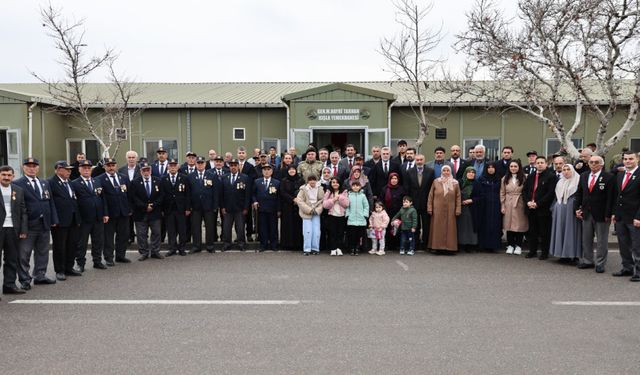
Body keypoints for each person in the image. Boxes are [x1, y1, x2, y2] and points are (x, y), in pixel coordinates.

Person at [14, 158, 59, 288]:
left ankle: (40, 275)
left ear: (38, 168)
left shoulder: (44, 183)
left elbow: (50, 202)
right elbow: (17, 207)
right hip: (27, 225)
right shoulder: (17, 184)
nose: (32, 168)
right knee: (24, 254)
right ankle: (25, 280)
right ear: (24, 168)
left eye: (34, 166)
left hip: (44, 223)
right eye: (29, 166)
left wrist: (54, 219)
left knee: (43, 252)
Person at [574, 155, 614, 273]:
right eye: (591, 162)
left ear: (601, 164)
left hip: (602, 214)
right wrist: (577, 208)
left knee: (601, 240)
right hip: (586, 212)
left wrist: (608, 214)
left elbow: (610, 197)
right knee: (586, 239)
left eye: (596, 162)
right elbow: (579, 194)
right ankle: (588, 260)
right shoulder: (584, 176)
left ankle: (600, 263)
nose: (593, 164)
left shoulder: (609, 177)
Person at [71, 160, 109, 270]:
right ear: (79, 170)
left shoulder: (97, 181)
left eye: (88, 168)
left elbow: (103, 198)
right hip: (84, 219)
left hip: (98, 217)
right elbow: (74, 203)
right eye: (84, 168)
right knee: (81, 243)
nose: (86, 170)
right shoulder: (75, 183)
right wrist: (77, 219)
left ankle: (97, 261)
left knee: (98, 241)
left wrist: (105, 213)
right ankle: (80, 264)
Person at [48, 161, 81, 280]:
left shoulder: (70, 182)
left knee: (72, 245)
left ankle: (69, 267)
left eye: (70, 169)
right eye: (66, 169)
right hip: (60, 221)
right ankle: (60, 270)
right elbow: (50, 203)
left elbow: (73, 200)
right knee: (59, 246)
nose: (69, 171)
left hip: (72, 219)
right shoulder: (51, 183)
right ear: (57, 170)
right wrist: (53, 219)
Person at [611, 150, 640, 281]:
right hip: (621, 216)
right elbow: (618, 196)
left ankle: (638, 272)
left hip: (635, 217)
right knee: (623, 244)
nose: (628, 161)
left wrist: (639, 217)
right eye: (626, 159)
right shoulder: (620, 175)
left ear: (637, 160)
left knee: (637, 245)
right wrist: (614, 213)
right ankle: (627, 268)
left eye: (631, 159)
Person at [0, 165, 28, 297]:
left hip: (13, 230)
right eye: (3, 175)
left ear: (13, 176)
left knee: (11, 259)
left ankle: (9, 285)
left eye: (8, 175)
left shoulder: (18, 190)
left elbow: (23, 211)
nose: (6, 177)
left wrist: (23, 229)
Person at [98, 158, 132, 264]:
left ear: (116, 166)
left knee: (123, 235)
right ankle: (109, 258)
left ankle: (120, 256)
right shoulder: (99, 179)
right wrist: (104, 213)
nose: (111, 167)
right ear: (104, 167)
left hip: (124, 212)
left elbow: (129, 195)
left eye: (113, 165)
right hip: (110, 214)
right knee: (108, 237)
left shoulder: (124, 177)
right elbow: (100, 199)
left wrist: (130, 209)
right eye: (108, 165)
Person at [523, 156, 557, 260]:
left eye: (542, 162)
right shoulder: (531, 176)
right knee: (532, 232)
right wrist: (528, 202)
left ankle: (544, 253)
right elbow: (525, 191)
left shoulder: (551, 176)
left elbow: (550, 194)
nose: (540, 164)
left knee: (544, 232)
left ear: (546, 164)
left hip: (543, 209)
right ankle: (532, 251)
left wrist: (537, 203)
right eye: (538, 163)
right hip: (531, 208)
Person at [129, 162, 165, 261]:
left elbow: (162, 195)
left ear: (151, 170)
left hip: (155, 211)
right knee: (141, 234)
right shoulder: (135, 182)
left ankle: (155, 251)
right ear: (140, 171)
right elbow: (133, 197)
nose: (146, 172)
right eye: (144, 170)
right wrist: (145, 206)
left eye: (147, 170)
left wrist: (153, 205)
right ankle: (144, 252)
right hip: (140, 212)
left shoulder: (158, 181)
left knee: (156, 233)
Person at [549, 164, 582, 262]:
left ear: (572, 170)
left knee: (572, 231)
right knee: (561, 230)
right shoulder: (560, 182)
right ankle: (563, 255)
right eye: (564, 170)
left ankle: (574, 255)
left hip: (572, 208)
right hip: (560, 209)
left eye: (568, 169)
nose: (566, 171)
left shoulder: (578, 181)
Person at [427, 165, 461, 253]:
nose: (446, 172)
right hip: (437, 209)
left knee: (450, 228)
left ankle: (450, 248)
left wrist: (458, 209)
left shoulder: (455, 183)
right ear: (441, 172)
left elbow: (458, 197)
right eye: (444, 170)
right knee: (437, 228)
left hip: (451, 209)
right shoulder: (436, 181)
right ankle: (436, 247)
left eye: (448, 170)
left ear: (451, 172)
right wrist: (430, 207)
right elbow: (431, 196)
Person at [404, 154, 434, 249]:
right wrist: (408, 202)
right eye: (417, 160)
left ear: (424, 160)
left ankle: (426, 244)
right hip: (414, 202)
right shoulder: (409, 171)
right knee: (415, 224)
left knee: (426, 224)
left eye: (421, 159)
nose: (419, 161)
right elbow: (407, 187)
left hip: (426, 202)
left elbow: (432, 188)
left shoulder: (430, 171)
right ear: (415, 160)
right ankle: (415, 244)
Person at [188, 156, 219, 253]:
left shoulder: (212, 175)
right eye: (198, 163)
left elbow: (215, 192)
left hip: (208, 206)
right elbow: (188, 193)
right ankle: (197, 246)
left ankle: (210, 246)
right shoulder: (190, 176)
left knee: (209, 227)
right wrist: (189, 206)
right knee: (196, 227)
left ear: (205, 164)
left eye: (202, 163)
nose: (200, 165)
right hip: (195, 206)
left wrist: (215, 206)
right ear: (195, 164)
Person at [161, 158, 191, 256]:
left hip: (181, 209)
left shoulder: (184, 178)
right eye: (171, 166)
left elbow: (187, 195)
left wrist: (187, 208)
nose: (173, 167)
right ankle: (172, 248)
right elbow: (162, 195)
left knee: (182, 229)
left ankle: (182, 248)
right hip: (169, 209)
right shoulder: (163, 178)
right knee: (171, 230)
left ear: (178, 167)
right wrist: (162, 209)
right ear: (168, 167)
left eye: (174, 166)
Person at [221, 159, 251, 251]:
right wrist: (222, 207)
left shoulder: (245, 177)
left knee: (240, 227)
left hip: (240, 208)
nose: (233, 167)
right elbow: (221, 194)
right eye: (231, 165)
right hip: (228, 208)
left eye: (235, 165)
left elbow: (247, 194)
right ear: (229, 167)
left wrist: (246, 207)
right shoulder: (224, 177)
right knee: (226, 228)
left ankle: (241, 243)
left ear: (238, 167)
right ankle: (227, 243)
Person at [500, 160, 528, 255]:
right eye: (511, 166)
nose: (513, 168)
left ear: (519, 167)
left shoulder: (524, 177)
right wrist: (503, 205)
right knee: (509, 225)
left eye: (515, 166)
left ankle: (519, 246)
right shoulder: (504, 178)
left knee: (519, 225)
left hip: (520, 202)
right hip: (508, 202)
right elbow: (502, 193)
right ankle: (511, 245)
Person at [252, 164, 280, 252]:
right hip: (261, 208)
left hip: (272, 209)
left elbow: (279, 197)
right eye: (265, 170)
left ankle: (274, 244)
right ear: (262, 171)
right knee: (262, 227)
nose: (266, 171)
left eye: (268, 169)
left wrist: (279, 209)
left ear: (271, 171)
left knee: (273, 227)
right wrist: (255, 201)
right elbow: (253, 194)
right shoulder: (257, 181)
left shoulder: (277, 182)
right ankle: (263, 245)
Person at [475, 162, 503, 252]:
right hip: (484, 205)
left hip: (496, 205)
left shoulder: (499, 179)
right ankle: (483, 245)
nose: (491, 169)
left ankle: (493, 245)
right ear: (486, 169)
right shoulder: (481, 179)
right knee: (484, 224)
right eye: (489, 167)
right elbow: (479, 191)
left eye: (493, 167)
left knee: (495, 225)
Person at [295, 175, 324, 255]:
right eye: (310, 180)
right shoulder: (303, 189)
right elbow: (299, 201)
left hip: (316, 212)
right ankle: (307, 249)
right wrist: (309, 210)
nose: (312, 181)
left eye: (314, 180)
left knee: (316, 231)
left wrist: (317, 210)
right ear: (307, 181)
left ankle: (315, 248)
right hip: (306, 212)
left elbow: (322, 200)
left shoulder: (320, 189)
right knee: (307, 231)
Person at [323, 177, 349, 256]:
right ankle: (333, 248)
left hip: (341, 216)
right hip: (332, 216)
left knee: (340, 233)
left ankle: (339, 248)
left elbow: (346, 204)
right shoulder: (328, 192)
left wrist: (340, 198)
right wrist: (333, 199)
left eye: (337, 182)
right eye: (333, 182)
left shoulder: (344, 192)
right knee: (332, 233)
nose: (335, 184)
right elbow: (325, 205)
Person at [279, 165, 303, 250]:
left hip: (298, 206)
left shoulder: (300, 180)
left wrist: (298, 199)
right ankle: (287, 244)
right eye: (290, 169)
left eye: (293, 169)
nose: (292, 171)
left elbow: (303, 191)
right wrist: (292, 199)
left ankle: (298, 244)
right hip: (287, 206)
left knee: (297, 225)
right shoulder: (284, 181)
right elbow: (282, 192)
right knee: (287, 225)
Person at [119, 150, 140, 244]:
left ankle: (141, 238)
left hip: (139, 198)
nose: (131, 159)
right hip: (127, 199)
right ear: (126, 158)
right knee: (128, 221)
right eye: (129, 157)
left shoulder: (141, 169)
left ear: (136, 159)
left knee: (139, 220)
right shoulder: (121, 170)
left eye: (133, 157)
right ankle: (130, 237)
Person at [380, 172, 405, 250]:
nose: (394, 180)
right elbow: (381, 200)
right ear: (389, 179)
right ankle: (388, 245)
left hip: (398, 212)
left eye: (395, 179)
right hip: (387, 212)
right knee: (387, 228)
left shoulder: (401, 189)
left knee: (397, 227)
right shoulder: (385, 189)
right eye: (392, 179)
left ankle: (396, 245)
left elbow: (404, 200)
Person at [345, 180, 369, 256]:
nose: (355, 187)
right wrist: (348, 214)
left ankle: (357, 248)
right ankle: (352, 248)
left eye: (357, 185)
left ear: (360, 187)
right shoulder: (349, 195)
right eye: (354, 185)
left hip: (360, 219)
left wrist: (365, 215)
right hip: (351, 219)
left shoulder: (363, 196)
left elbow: (366, 206)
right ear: (351, 187)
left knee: (359, 235)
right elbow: (347, 206)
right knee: (352, 235)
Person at [457, 167, 478, 252]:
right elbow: (455, 193)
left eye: (473, 172)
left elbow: (481, 196)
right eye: (469, 172)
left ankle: (470, 244)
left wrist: (472, 200)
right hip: (461, 207)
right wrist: (460, 201)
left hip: (472, 208)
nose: (471, 174)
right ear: (466, 173)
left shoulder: (477, 183)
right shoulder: (460, 182)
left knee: (470, 227)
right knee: (461, 226)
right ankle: (460, 243)